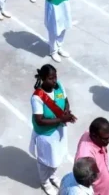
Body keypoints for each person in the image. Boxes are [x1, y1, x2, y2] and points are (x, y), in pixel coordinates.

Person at [30, 64, 77, 195]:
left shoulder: (59, 86)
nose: (54, 80)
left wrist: (66, 111)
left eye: (55, 77)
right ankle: (44, 181)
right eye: (51, 78)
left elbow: (66, 101)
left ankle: (52, 176)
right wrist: (62, 119)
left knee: (57, 157)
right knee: (45, 161)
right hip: (46, 134)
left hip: (59, 129)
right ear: (43, 79)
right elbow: (40, 120)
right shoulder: (37, 97)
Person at [74, 118, 109, 195]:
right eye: (106, 139)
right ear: (94, 136)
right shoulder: (86, 157)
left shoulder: (92, 135)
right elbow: (83, 183)